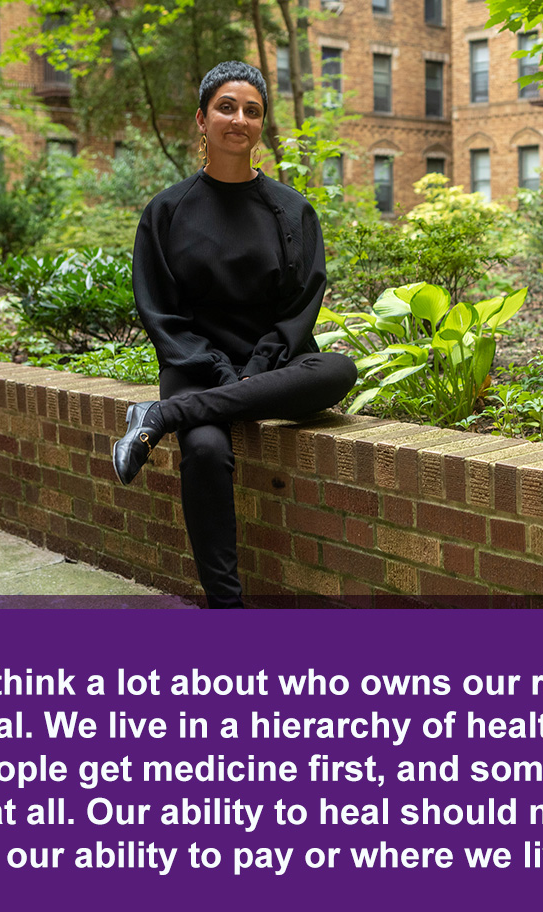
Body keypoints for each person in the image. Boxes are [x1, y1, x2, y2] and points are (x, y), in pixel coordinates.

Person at [112, 61, 358, 609]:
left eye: (252, 110)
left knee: (339, 369)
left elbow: (299, 310)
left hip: (274, 365)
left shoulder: (293, 211)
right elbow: (162, 313)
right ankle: (227, 609)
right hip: (193, 366)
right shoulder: (166, 212)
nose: (238, 120)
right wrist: (223, 372)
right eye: (226, 107)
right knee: (203, 449)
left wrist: (256, 368)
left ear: (262, 124)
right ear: (202, 119)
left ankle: (161, 419)